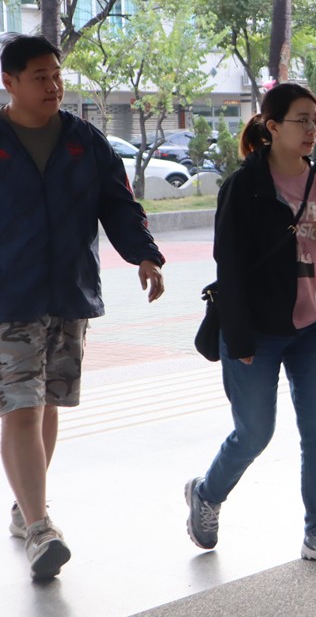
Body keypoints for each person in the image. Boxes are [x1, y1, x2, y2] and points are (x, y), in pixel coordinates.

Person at [0, 34, 166, 580]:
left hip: (69, 291)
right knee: (21, 406)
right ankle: (40, 527)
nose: (54, 86)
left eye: (57, 74)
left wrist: (144, 255)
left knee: (47, 402)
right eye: (40, 77)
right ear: (9, 82)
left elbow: (118, 204)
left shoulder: (83, 139)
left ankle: (26, 508)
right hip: (9, 297)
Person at [184, 83, 316, 567]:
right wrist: (238, 335)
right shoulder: (245, 186)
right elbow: (230, 264)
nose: (312, 129)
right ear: (273, 126)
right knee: (254, 432)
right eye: (302, 120)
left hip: (315, 324)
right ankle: (207, 493)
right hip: (257, 328)